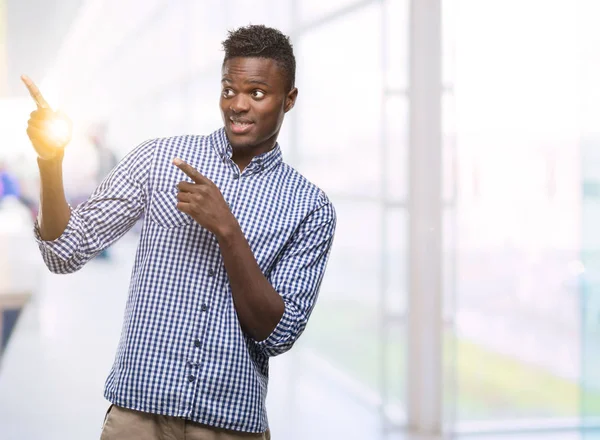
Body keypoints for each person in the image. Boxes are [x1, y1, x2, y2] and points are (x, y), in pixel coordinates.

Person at [22, 24, 336, 440]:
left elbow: (278, 334)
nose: (238, 105)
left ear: (289, 98)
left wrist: (228, 230)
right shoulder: (158, 160)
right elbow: (65, 252)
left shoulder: (309, 207)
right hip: (136, 417)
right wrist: (50, 162)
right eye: (228, 90)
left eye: (257, 93)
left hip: (229, 424)